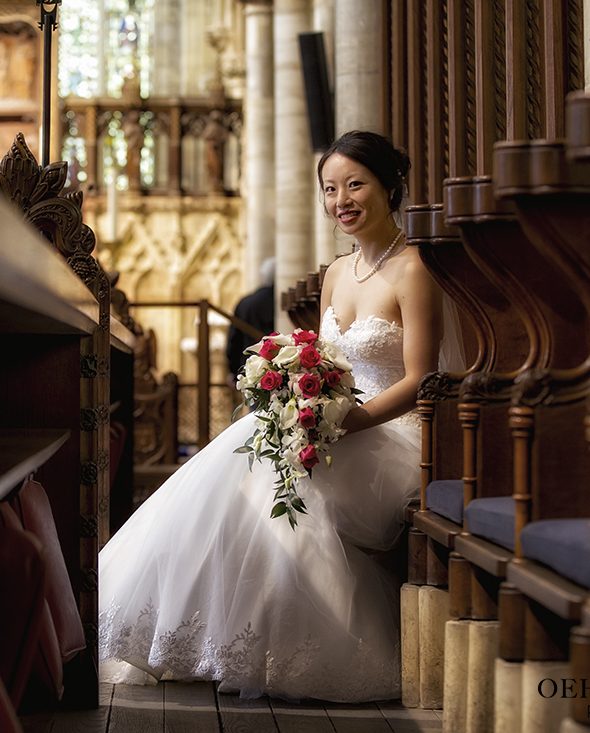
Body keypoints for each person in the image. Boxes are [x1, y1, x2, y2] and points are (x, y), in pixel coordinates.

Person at [98, 130, 461, 702]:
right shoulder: (338, 272)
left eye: (355, 184)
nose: (341, 199)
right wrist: (297, 399)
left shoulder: (415, 270)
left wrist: (345, 420)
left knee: (274, 483)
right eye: (329, 188)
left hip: (393, 432)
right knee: (243, 462)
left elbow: (421, 380)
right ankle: (225, 641)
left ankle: (297, 651)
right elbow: (324, 359)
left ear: (390, 185)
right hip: (335, 423)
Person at [225, 257, 276, 387]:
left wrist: (233, 370)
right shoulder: (280, 302)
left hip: (250, 367)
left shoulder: (246, 303)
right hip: (278, 367)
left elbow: (234, 339)